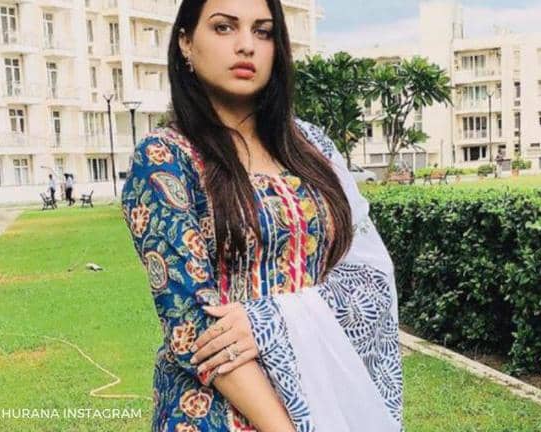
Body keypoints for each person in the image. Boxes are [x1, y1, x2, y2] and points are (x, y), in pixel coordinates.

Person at [120, 0, 403, 430]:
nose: (246, 45)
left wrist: (271, 319)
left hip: (323, 394)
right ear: (185, 43)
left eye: (263, 31)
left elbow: (368, 275)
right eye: (224, 27)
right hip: (218, 411)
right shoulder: (164, 158)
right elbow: (193, 326)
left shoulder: (312, 148)